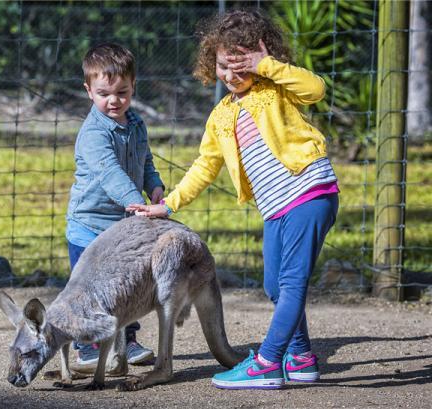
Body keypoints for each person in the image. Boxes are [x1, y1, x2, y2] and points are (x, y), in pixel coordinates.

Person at [127, 9, 339, 390]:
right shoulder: (220, 115)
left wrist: (268, 65)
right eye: (225, 65)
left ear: (261, 57)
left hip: (309, 191)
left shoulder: (275, 88)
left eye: (242, 65)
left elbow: (317, 89)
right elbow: (204, 167)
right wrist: (169, 205)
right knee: (274, 286)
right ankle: (302, 357)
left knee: (291, 284)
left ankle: (267, 363)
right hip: (276, 209)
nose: (231, 74)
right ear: (214, 62)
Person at [66, 43, 164, 371]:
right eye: (104, 93)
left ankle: (127, 340)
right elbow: (110, 173)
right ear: (88, 90)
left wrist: (154, 186)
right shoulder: (93, 133)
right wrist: (136, 203)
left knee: (125, 287)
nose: (114, 100)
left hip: (123, 227)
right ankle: (86, 347)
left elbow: (145, 159)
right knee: (89, 291)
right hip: (89, 226)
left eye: (122, 92)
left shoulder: (136, 123)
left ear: (134, 86)